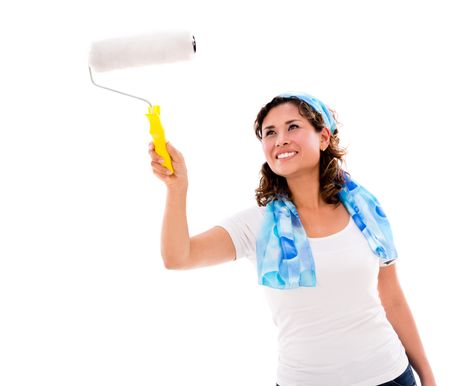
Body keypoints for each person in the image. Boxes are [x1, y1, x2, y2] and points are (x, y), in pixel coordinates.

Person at [148, 92, 436, 386]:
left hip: (389, 375)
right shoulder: (257, 224)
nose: (280, 139)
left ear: (323, 137)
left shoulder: (364, 211)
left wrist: (427, 374)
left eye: (293, 127)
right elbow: (178, 257)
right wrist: (177, 187)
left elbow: (393, 299)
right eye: (269, 133)